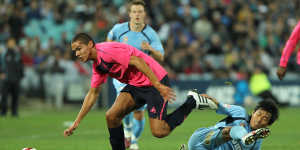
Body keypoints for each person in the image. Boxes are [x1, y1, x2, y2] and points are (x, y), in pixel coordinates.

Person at [63, 33, 218, 150]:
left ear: (90, 44)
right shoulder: (97, 64)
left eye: (79, 49)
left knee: (159, 131)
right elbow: (93, 93)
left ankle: (192, 102)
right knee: (111, 116)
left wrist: (157, 85)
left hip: (154, 79)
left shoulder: (107, 51)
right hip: (136, 85)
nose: (76, 53)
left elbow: (138, 61)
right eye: (74, 51)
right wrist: (77, 122)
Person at [106, 0, 164, 149]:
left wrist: (150, 49)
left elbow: (161, 57)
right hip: (122, 75)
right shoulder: (119, 29)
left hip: (140, 78)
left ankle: (133, 139)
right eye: (134, 11)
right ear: (130, 14)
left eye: (140, 11)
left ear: (144, 14)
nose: (137, 14)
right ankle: (128, 132)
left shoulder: (150, 34)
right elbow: (108, 42)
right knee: (123, 106)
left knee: (138, 114)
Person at [187, 98, 279, 150]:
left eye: (265, 118)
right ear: (253, 112)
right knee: (230, 131)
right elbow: (218, 105)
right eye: (259, 114)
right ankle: (243, 136)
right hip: (203, 139)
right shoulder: (240, 113)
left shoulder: (257, 141)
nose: (259, 120)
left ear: (268, 124)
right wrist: (200, 99)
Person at [0, 37, 24, 117]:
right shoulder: (3, 53)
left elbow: (21, 65)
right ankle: (3, 112)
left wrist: (21, 75)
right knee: (4, 96)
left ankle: (14, 112)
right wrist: (1, 73)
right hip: (6, 78)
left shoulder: (17, 54)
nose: (12, 44)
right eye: (10, 42)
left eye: (13, 42)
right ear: (7, 43)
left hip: (16, 78)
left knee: (15, 96)